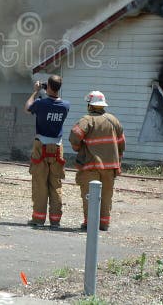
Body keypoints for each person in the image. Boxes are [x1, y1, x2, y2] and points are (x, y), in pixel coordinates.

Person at [69, 90, 125, 231]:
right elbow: (121, 143)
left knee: (90, 196)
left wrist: (77, 148)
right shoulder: (114, 120)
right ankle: (104, 223)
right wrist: (117, 161)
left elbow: (75, 136)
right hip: (110, 167)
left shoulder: (86, 120)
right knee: (106, 196)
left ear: (90, 105)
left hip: (91, 166)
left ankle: (90, 223)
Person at [25, 75, 70, 228]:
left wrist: (36, 91)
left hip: (41, 147)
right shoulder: (65, 106)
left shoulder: (40, 103)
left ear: (48, 86)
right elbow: (55, 101)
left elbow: (27, 107)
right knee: (55, 184)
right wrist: (49, 89)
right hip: (58, 149)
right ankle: (55, 220)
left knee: (40, 184)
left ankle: (38, 219)